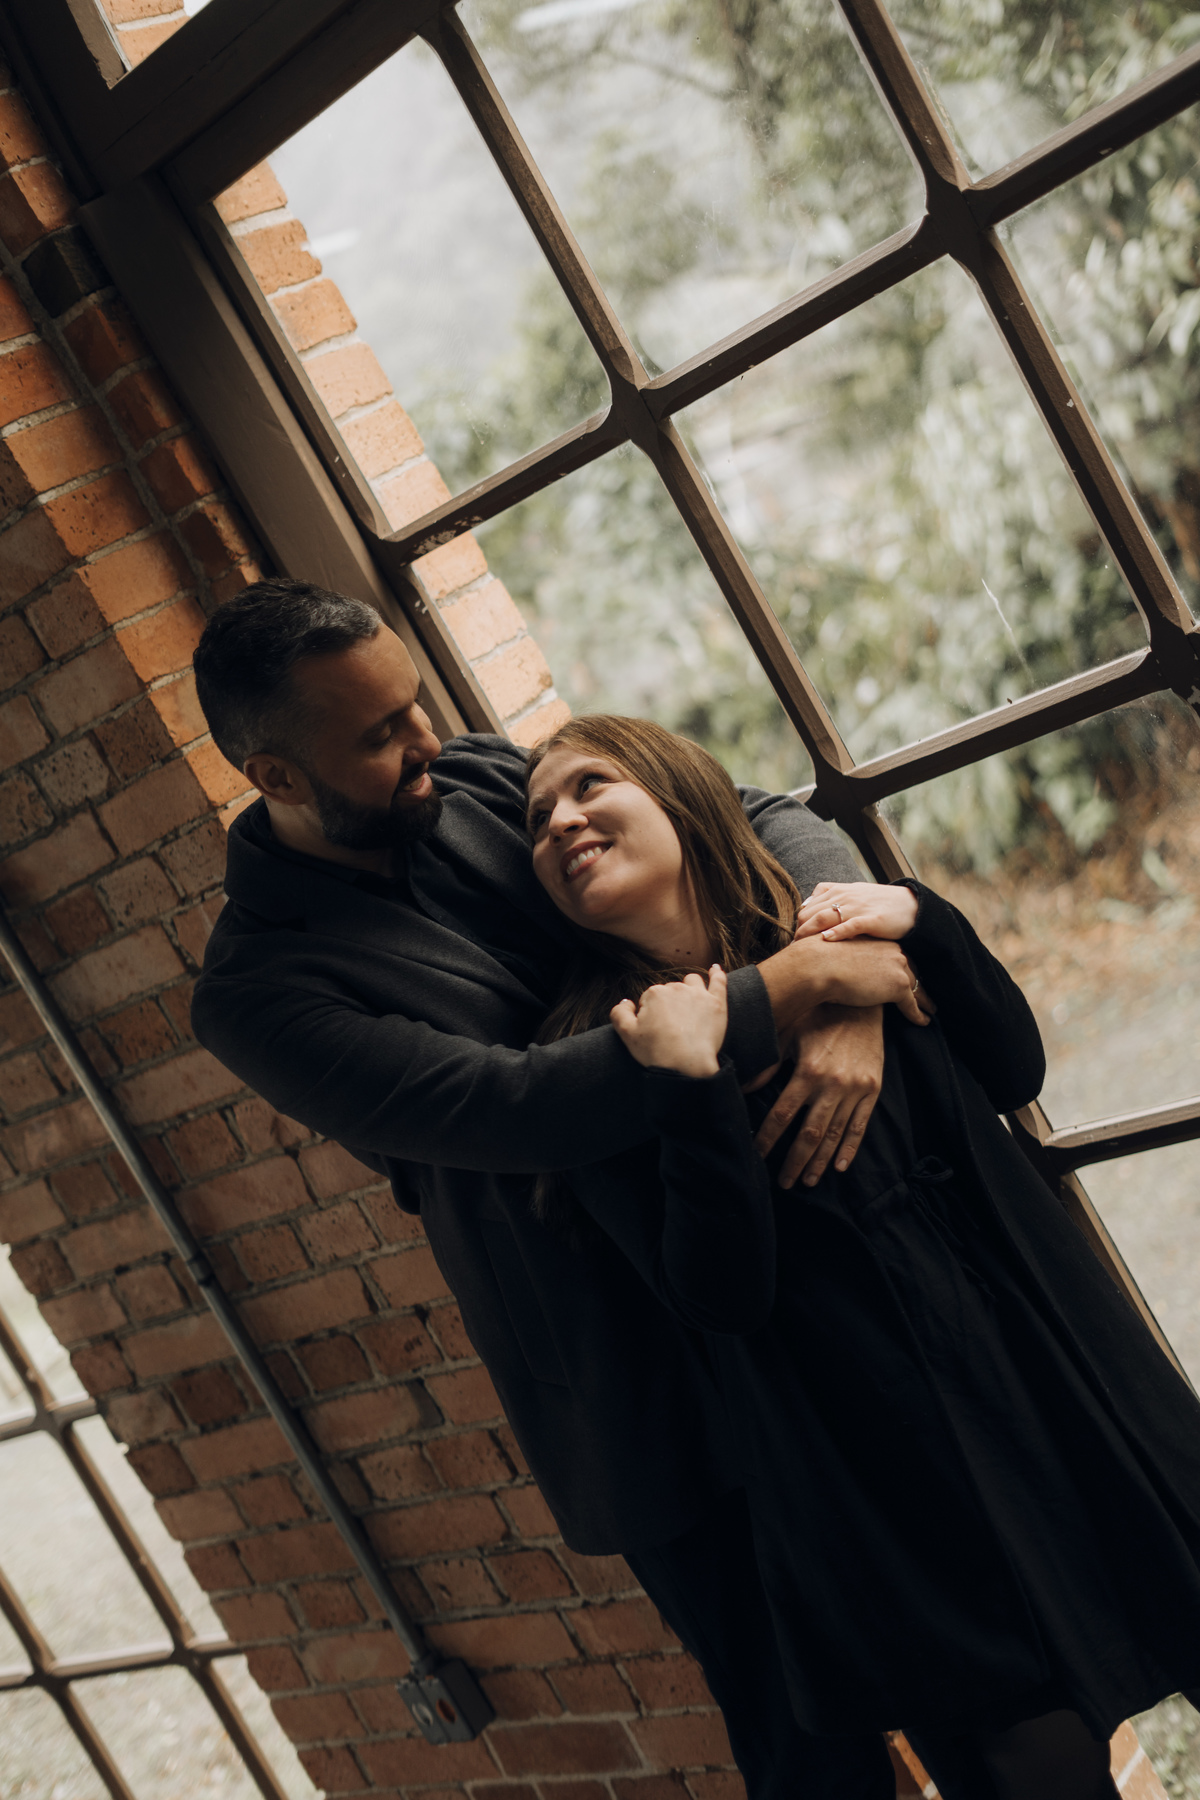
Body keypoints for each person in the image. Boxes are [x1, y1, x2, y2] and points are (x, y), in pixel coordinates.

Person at [190, 578, 925, 1799]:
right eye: (380, 735)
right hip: (646, 1388)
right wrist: (794, 992)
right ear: (273, 775)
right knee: (816, 1760)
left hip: (808, 1290)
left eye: (413, 704)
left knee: (974, 1663)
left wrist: (844, 958)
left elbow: (749, 815)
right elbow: (519, 1108)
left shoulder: (481, 776)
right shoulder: (254, 996)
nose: (428, 740)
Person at [523, 712, 1200, 1800]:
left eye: (589, 785)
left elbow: (1013, 1065)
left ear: (677, 792)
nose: (560, 821)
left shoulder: (836, 932)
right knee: (1029, 1756)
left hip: (1049, 1360)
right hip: (880, 1464)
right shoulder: (593, 1054)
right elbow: (719, 1294)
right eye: (536, 819)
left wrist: (918, 918)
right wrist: (687, 1087)